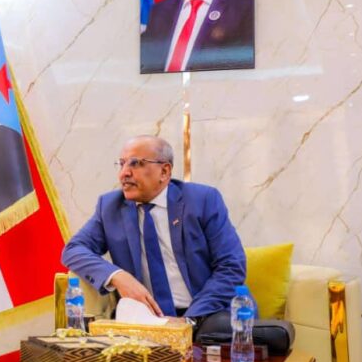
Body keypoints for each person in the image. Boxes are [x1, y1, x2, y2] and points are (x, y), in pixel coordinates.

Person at [61, 135, 245, 329]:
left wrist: (189, 320)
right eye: (122, 164)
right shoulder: (110, 207)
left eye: (135, 163)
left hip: (205, 316)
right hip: (146, 320)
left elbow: (231, 266)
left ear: (164, 171)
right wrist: (118, 276)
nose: (124, 173)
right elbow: (73, 249)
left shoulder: (202, 200)